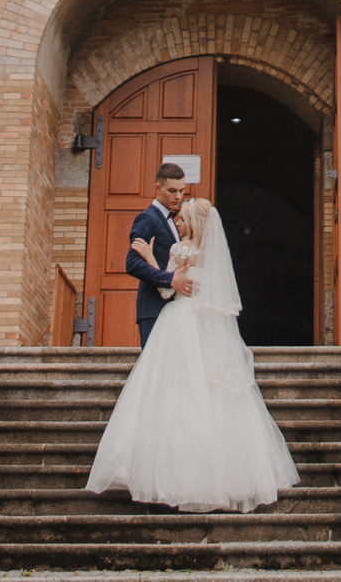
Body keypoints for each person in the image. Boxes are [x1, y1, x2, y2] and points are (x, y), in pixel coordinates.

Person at [86, 194, 299, 511]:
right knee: (213, 395)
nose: (177, 222)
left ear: (193, 222)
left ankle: (171, 476)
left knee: (174, 393)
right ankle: (223, 477)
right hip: (207, 328)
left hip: (180, 322)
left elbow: (166, 289)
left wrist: (147, 255)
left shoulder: (181, 250)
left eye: (182, 218)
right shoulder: (211, 256)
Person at [124, 164, 195, 345]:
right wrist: (168, 279)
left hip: (172, 309)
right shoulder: (148, 219)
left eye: (181, 191)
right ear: (157, 188)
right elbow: (132, 263)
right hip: (154, 309)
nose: (178, 197)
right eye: (172, 191)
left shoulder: (171, 219)